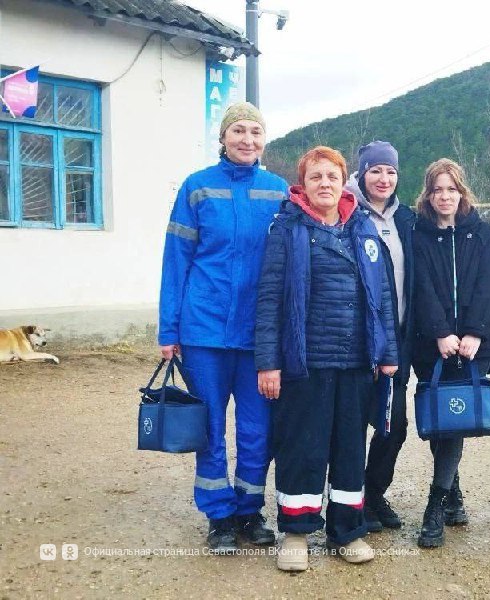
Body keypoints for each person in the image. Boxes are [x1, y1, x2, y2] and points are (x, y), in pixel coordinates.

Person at [255, 146, 398, 571]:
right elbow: (269, 299)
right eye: (316, 177)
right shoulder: (286, 228)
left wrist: (387, 353)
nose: (325, 184)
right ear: (303, 184)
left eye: (332, 177)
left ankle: (346, 531)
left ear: (343, 182)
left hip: (356, 362)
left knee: (350, 449)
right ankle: (296, 534)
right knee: (303, 448)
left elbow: (382, 296)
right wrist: (268, 362)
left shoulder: (362, 228)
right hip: (305, 363)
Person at [158, 102, 289, 553]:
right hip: (204, 331)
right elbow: (176, 261)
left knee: (257, 430)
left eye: (255, 131)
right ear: (223, 137)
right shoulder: (196, 188)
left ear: (264, 140)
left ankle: (249, 511)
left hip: (259, 337)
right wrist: (168, 329)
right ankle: (219, 517)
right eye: (238, 130)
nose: (247, 139)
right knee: (210, 428)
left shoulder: (278, 191)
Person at [412, 158, 490, 548]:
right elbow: (421, 287)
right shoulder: (417, 234)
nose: (444, 196)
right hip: (431, 343)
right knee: (441, 418)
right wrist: (440, 332)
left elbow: (489, 285)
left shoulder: (483, 234)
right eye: (437, 190)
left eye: (451, 189)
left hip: (473, 345)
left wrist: (475, 332)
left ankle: (436, 502)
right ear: (428, 195)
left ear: (462, 192)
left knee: (454, 421)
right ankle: (452, 491)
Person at [344, 141, 416, 532]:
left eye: (390, 171)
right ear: (362, 174)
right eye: (376, 171)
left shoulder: (406, 219)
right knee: (353, 428)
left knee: (394, 425)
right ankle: (349, 499)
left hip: (397, 342)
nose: (384, 178)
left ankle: (374, 493)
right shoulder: (347, 213)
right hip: (356, 345)